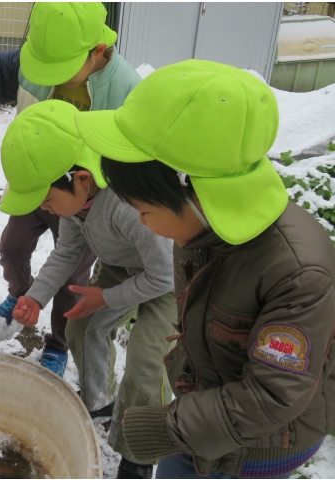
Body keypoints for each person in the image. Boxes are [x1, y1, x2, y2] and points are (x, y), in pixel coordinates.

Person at [74, 59, 335, 479]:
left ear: (195, 194)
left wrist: (168, 427)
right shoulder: (199, 231)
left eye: (144, 210)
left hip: (257, 449)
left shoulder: (298, 273)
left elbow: (273, 395)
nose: (141, 222)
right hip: (203, 418)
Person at [0, 2, 141, 378]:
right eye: (42, 67)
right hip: (34, 187)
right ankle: (22, 294)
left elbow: (136, 157)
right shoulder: (40, 55)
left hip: (82, 201)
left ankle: (58, 343)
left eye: (58, 71)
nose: (47, 76)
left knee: (73, 277)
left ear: (97, 51)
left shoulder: (127, 90)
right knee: (12, 247)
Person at [1, 100, 176, 480]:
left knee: (148, 361)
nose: (46, 208)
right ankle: (100, 399)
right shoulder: (76, 205)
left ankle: (139, 451)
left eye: (47, 199)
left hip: (171, 279)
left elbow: (165, 276)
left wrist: (106, 297)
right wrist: (36, 295)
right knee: (82, 327)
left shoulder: (127, 206)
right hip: (122, 267)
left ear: (81, 178)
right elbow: (67, 251)